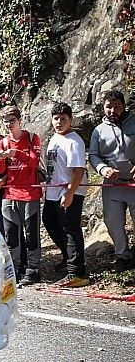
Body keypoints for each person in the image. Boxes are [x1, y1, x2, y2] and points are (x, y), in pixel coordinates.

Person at [0, 105, 43, 285]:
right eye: (5, 121)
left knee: (31, 233)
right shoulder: (3, 142)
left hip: (30, 192)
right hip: (10, 192)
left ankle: (33, 268)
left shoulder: (31, 138)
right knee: (11, 233)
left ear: (20, 120)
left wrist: (16, 153)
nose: (8, 125)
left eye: (12, 121)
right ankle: (14, 268)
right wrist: (1, 158)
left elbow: (34, 162)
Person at [42, 102, 90, 287]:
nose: (59, 122)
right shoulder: (55, 138)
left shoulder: (74, 141)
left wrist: (70, 193)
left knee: (70, 228)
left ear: (71, 120)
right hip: (53, 191)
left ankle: (77, 271)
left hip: (70, 191)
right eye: (56, 118)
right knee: (51, 222)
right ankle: (68, 257)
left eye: (63, 119)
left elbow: (78, 170)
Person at [88, 90, 135, 273]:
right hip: (112, 185)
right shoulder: (98, 131)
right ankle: (121, 256)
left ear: (123, 106)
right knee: (113, 222)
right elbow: (93, 155)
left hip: (133, 183)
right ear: (103, 108)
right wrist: (103, 169)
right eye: (109, 107)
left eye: (116, 106)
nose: (112, 110)